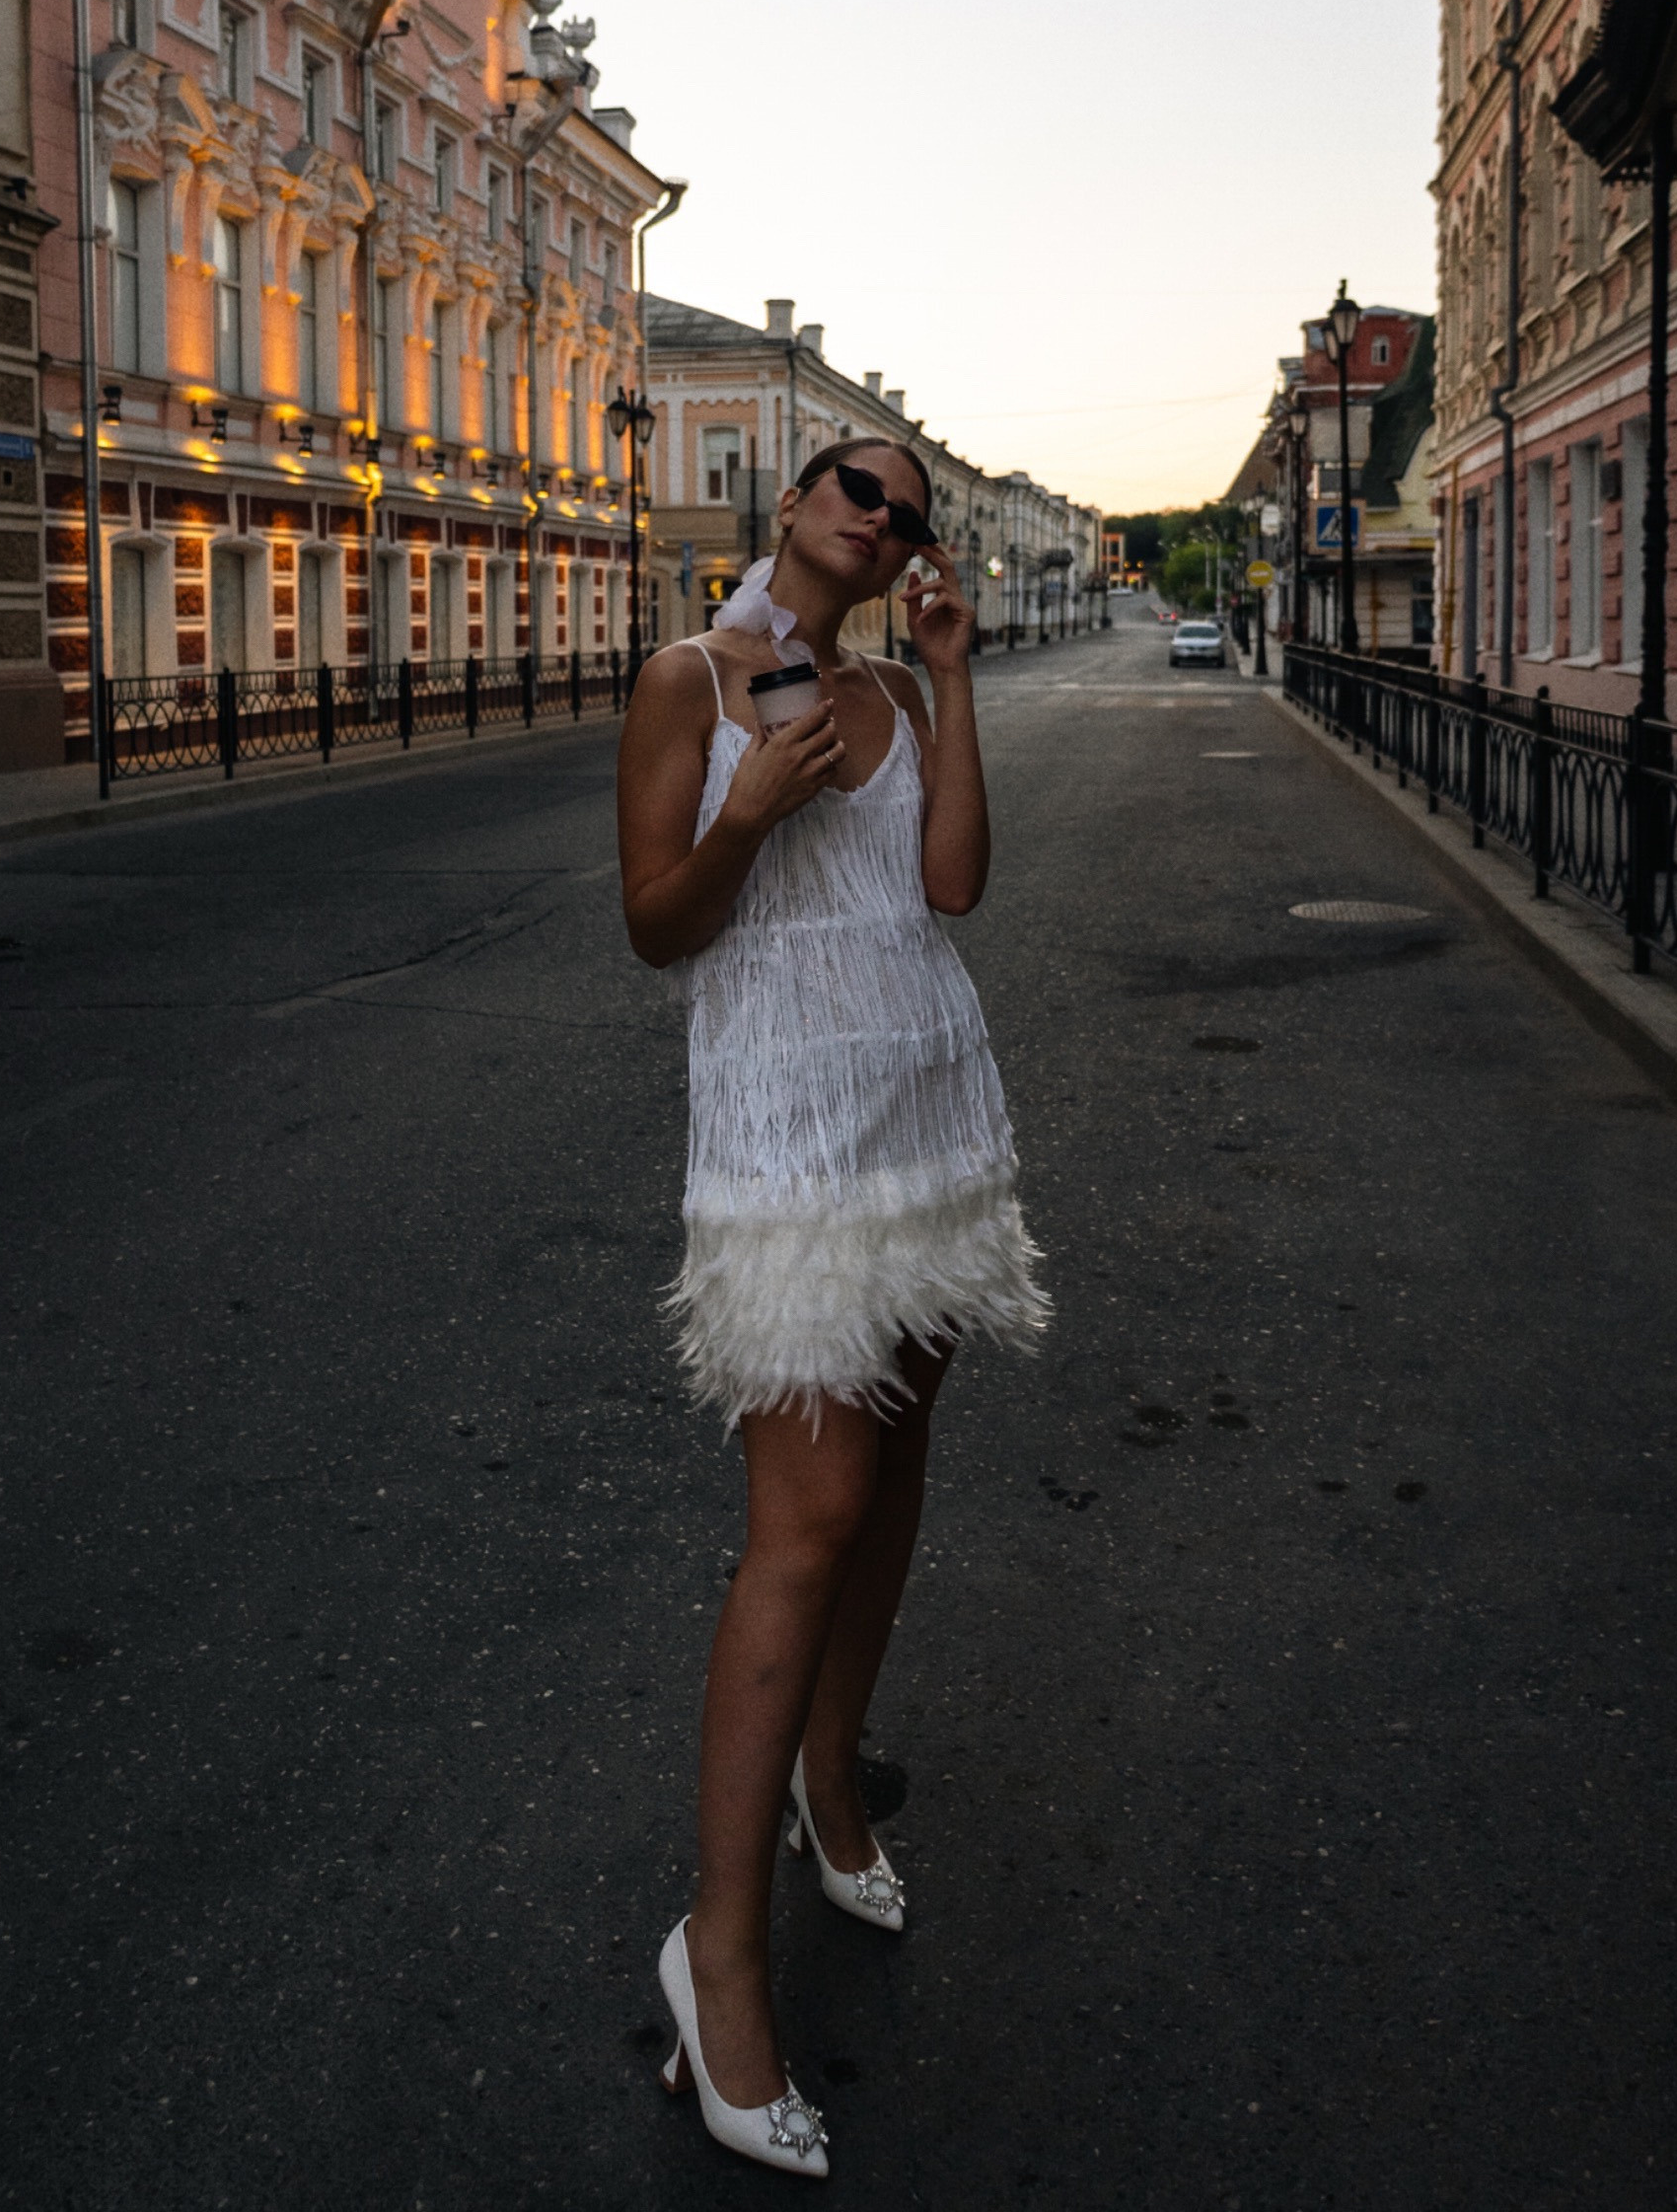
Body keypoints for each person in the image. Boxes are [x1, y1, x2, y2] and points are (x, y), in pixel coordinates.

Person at [618, 435, 1049, 2177]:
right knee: (809, 1517)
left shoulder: (898, 686)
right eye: (859, 492)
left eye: (912, 515)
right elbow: (659, 929)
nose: (886, 523)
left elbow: (950, 890)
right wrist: (746, 807)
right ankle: (716, 1950)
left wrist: (953, 688)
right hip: (786, 1135)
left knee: (898, 1472)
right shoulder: (685, 679)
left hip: (930, 1113)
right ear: (792, 505)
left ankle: (832, 1772)